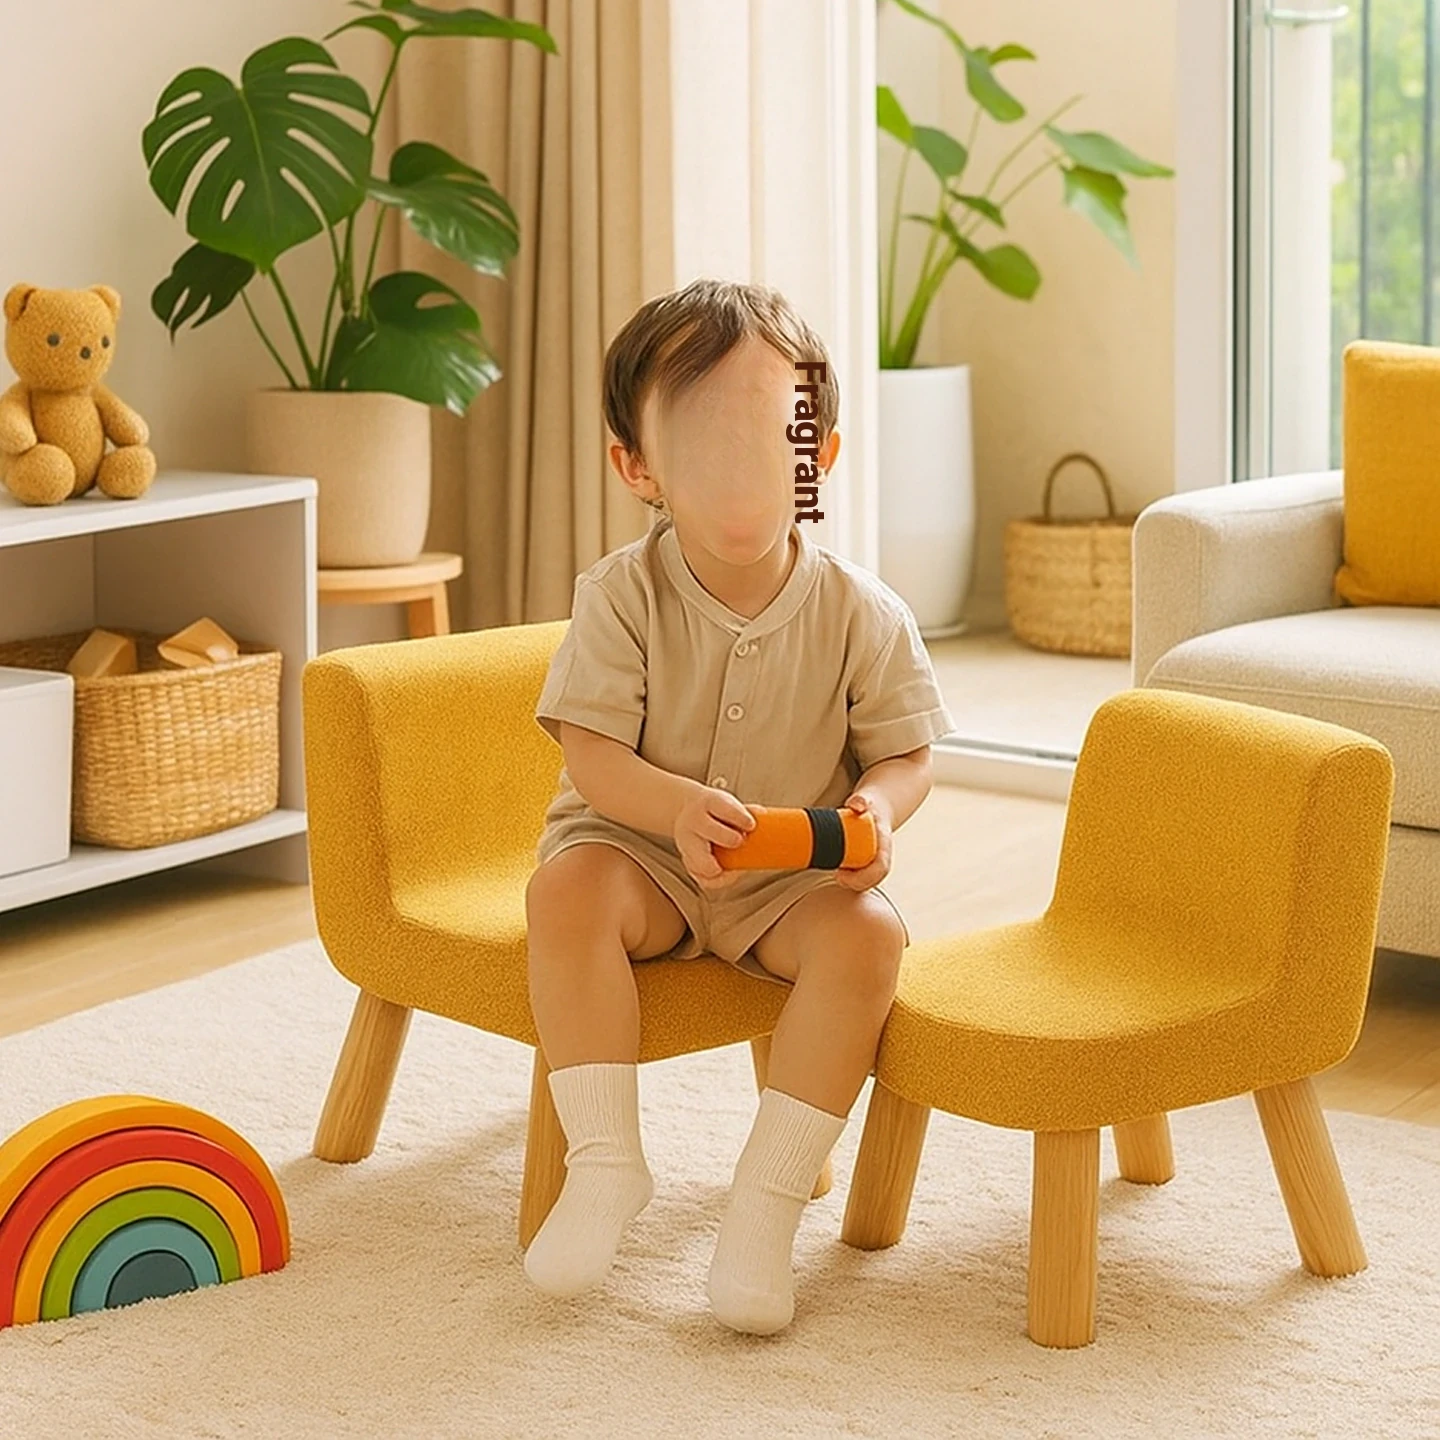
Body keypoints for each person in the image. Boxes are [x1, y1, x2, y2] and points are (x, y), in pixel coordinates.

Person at [523, 277, 957, 1335]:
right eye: (708, 440)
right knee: (565, 892)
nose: (744, 466)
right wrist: (671, 807)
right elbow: (592, 752)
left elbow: (906, 755)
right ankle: (606, 1160)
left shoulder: (864, 610)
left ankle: (767, 1203)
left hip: (787, 882)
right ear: (639, 468)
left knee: (870, 938)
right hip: (641, 857)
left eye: (771, 437)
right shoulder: (619, 593)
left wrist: (876, 811)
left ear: (820, 456)